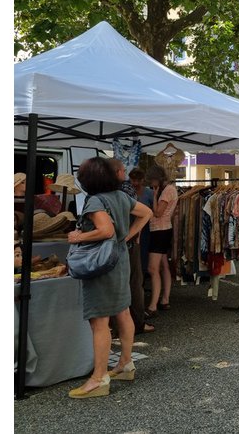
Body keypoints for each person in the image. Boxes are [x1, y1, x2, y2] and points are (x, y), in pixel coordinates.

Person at [66, 157, 153, 399]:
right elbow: (146, 213)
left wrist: (78, 238)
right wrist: (129, 237)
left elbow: (105, 230)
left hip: (102, 265)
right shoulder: (121, 196)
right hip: (120, 259)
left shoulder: (95, 200)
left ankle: (98, 378)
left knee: (99, 321)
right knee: (122, 311)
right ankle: (125, 363)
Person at [108, 160, 155, 335]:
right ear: (119, 172)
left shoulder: (99, 190)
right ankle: (136, 323)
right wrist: (132, 235)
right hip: (125, 244)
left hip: (109, 243)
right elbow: (144, 213)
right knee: (134, 284)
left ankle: (113, 325)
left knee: (114, 285)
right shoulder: (126, 190)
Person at [146, 165, 177, 314]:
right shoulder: (170, 189)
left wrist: (153, 197)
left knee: (153, 269)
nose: (150, 184)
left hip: (160, 231)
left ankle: (153, 305)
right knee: (164, 266)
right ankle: (165, 299)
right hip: (163, 230)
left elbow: (158, 213)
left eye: (151, 180)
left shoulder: (167, 190)